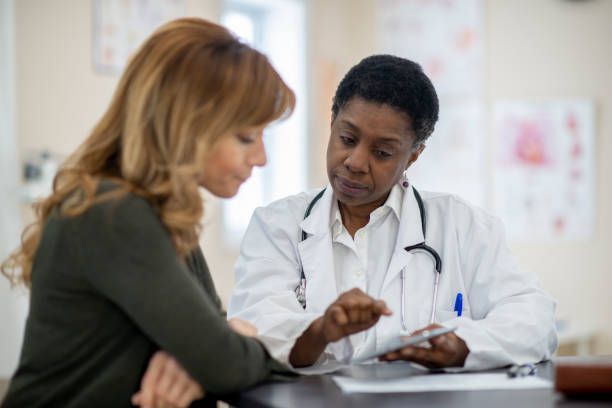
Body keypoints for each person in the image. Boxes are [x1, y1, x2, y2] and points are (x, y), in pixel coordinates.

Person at [1, 17, 295, 407]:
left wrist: (217, 348)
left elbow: (214, 344)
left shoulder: (163, 214)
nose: (261, 158)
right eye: (245, 138)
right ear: (185, 126)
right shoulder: (114, 212)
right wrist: (234, 342)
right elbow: (223, 361)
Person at [228, 54, 558, 370]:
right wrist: (319, 331)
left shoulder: (462, 226)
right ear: (332, 124)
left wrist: (464, 345)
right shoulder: (276, 225)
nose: (355, 162)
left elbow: (535, 321)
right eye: (347, 138)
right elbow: (252, 331)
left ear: (413, 155)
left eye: (382, 152)